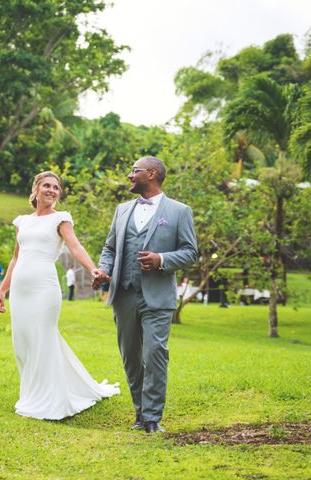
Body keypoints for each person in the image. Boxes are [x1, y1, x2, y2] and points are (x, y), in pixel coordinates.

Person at [0, 171, 119, 420]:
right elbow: (16, 257)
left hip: (45, 288)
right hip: (20, 289)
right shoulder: (22, 221)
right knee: (24, 342)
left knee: (43, 338)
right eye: (47, 186)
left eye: (56, 187)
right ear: (36, 189)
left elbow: (75, 246)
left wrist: (92, 268)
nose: (51, 190)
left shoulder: (61, 219)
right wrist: (3, 288)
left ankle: (51, 399)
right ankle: (31, 393)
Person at [93, 156, 198, 433]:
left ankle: (152, 418)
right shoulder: (122, 210)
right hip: (123, 295)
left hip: (158, 297)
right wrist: (104, 270)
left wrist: (161, 258)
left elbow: (191, 252)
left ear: (151, 174)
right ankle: (140, 414)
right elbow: (110, 249)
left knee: (154, 355)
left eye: (134, 171)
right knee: (131, 357)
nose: (129, 175)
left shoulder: (179, 211)